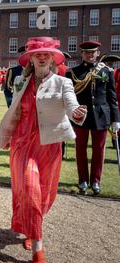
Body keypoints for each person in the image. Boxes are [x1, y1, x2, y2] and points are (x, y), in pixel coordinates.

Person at [0, 37, 87, 263]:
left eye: (46, 52)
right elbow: (13, 108)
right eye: (37, 52)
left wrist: (77, 113)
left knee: (44, 194)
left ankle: (31, 226)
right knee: (29, 188)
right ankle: (38, 247)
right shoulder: (20, 80)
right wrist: (6, 135)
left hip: (48, 145)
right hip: (22, 143)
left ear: (53, 57)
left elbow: (71, 105)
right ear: (30, 57)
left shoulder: (61, 82)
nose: (42, 56)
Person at [65, 41, 120, 195]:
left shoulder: (106, 71)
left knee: (99, 150)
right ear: (82, 54)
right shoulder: (72, 72)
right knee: (80, 149)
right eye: (87, 52)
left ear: (97, 53)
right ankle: (82, 179)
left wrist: (116, 119)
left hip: (101, 115)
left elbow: (112, 97)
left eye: (93, 52)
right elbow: (69, 97)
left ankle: (96, 181)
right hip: (80, 116)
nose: (90, 55)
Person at [100, 54, 120, 147]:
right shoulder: (110, 72)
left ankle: (115, 142)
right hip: (111, 101)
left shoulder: (114, 72)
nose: (111, 64)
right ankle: (115, 142)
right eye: (109, 62)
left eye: (113, 62)